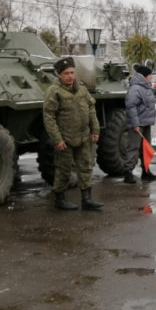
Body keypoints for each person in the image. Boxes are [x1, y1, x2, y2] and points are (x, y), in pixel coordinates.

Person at [42, 57, 102, 212]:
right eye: (66, 73)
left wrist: (95, 129)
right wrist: (57, 139)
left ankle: (87, 199)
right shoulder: (54, 92)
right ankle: (60, 199)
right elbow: (49, 117)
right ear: (59, 75)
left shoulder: (81, 89)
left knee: (85, 167)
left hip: (83, 137)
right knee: (63, 170)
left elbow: (91, 109)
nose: (70, 76)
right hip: (65, 139)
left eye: (72, 72)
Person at [123, 64, 156, 184]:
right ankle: (128, 173)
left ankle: (146, 171)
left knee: (146, 148)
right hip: (137, 124)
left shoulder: (146, 87)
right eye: (150, 75)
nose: (151, 77)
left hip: (146, 123)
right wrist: (135, 124)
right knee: (134, 147)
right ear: (144, 76)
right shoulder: (135, 89)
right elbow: (131, 107)